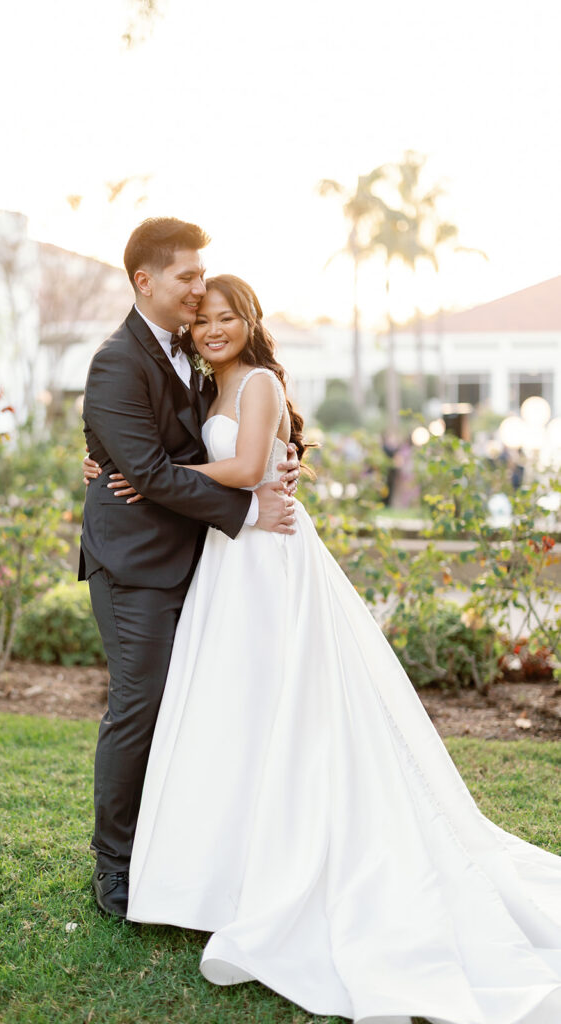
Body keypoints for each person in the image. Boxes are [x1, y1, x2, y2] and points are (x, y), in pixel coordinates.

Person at [86, 274, 561, 1023]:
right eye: (202, 320)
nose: (212, 329)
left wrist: (146, 480)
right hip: (227, 558)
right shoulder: (206, 391)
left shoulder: (263, 384)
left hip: (266, 558)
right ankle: (223, 869)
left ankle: (289, 864)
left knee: (287, 705)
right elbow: (161, 447)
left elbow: (244, 472)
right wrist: (110, 463)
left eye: (226, 317)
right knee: (232, 710)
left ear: (250, 320)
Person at [79, 219, 300, 919]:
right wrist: (245, 511)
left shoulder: (189, 353)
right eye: (188, 279)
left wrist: (282, 461)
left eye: (203, 279)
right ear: (145, 280)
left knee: (193, 711)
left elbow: (219, 436)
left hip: (197, 563)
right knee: (138, 712)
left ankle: (175, 849)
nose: (199, 292)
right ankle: (113, 867)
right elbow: (143, 469)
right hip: (136, 566)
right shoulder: (117, 360)